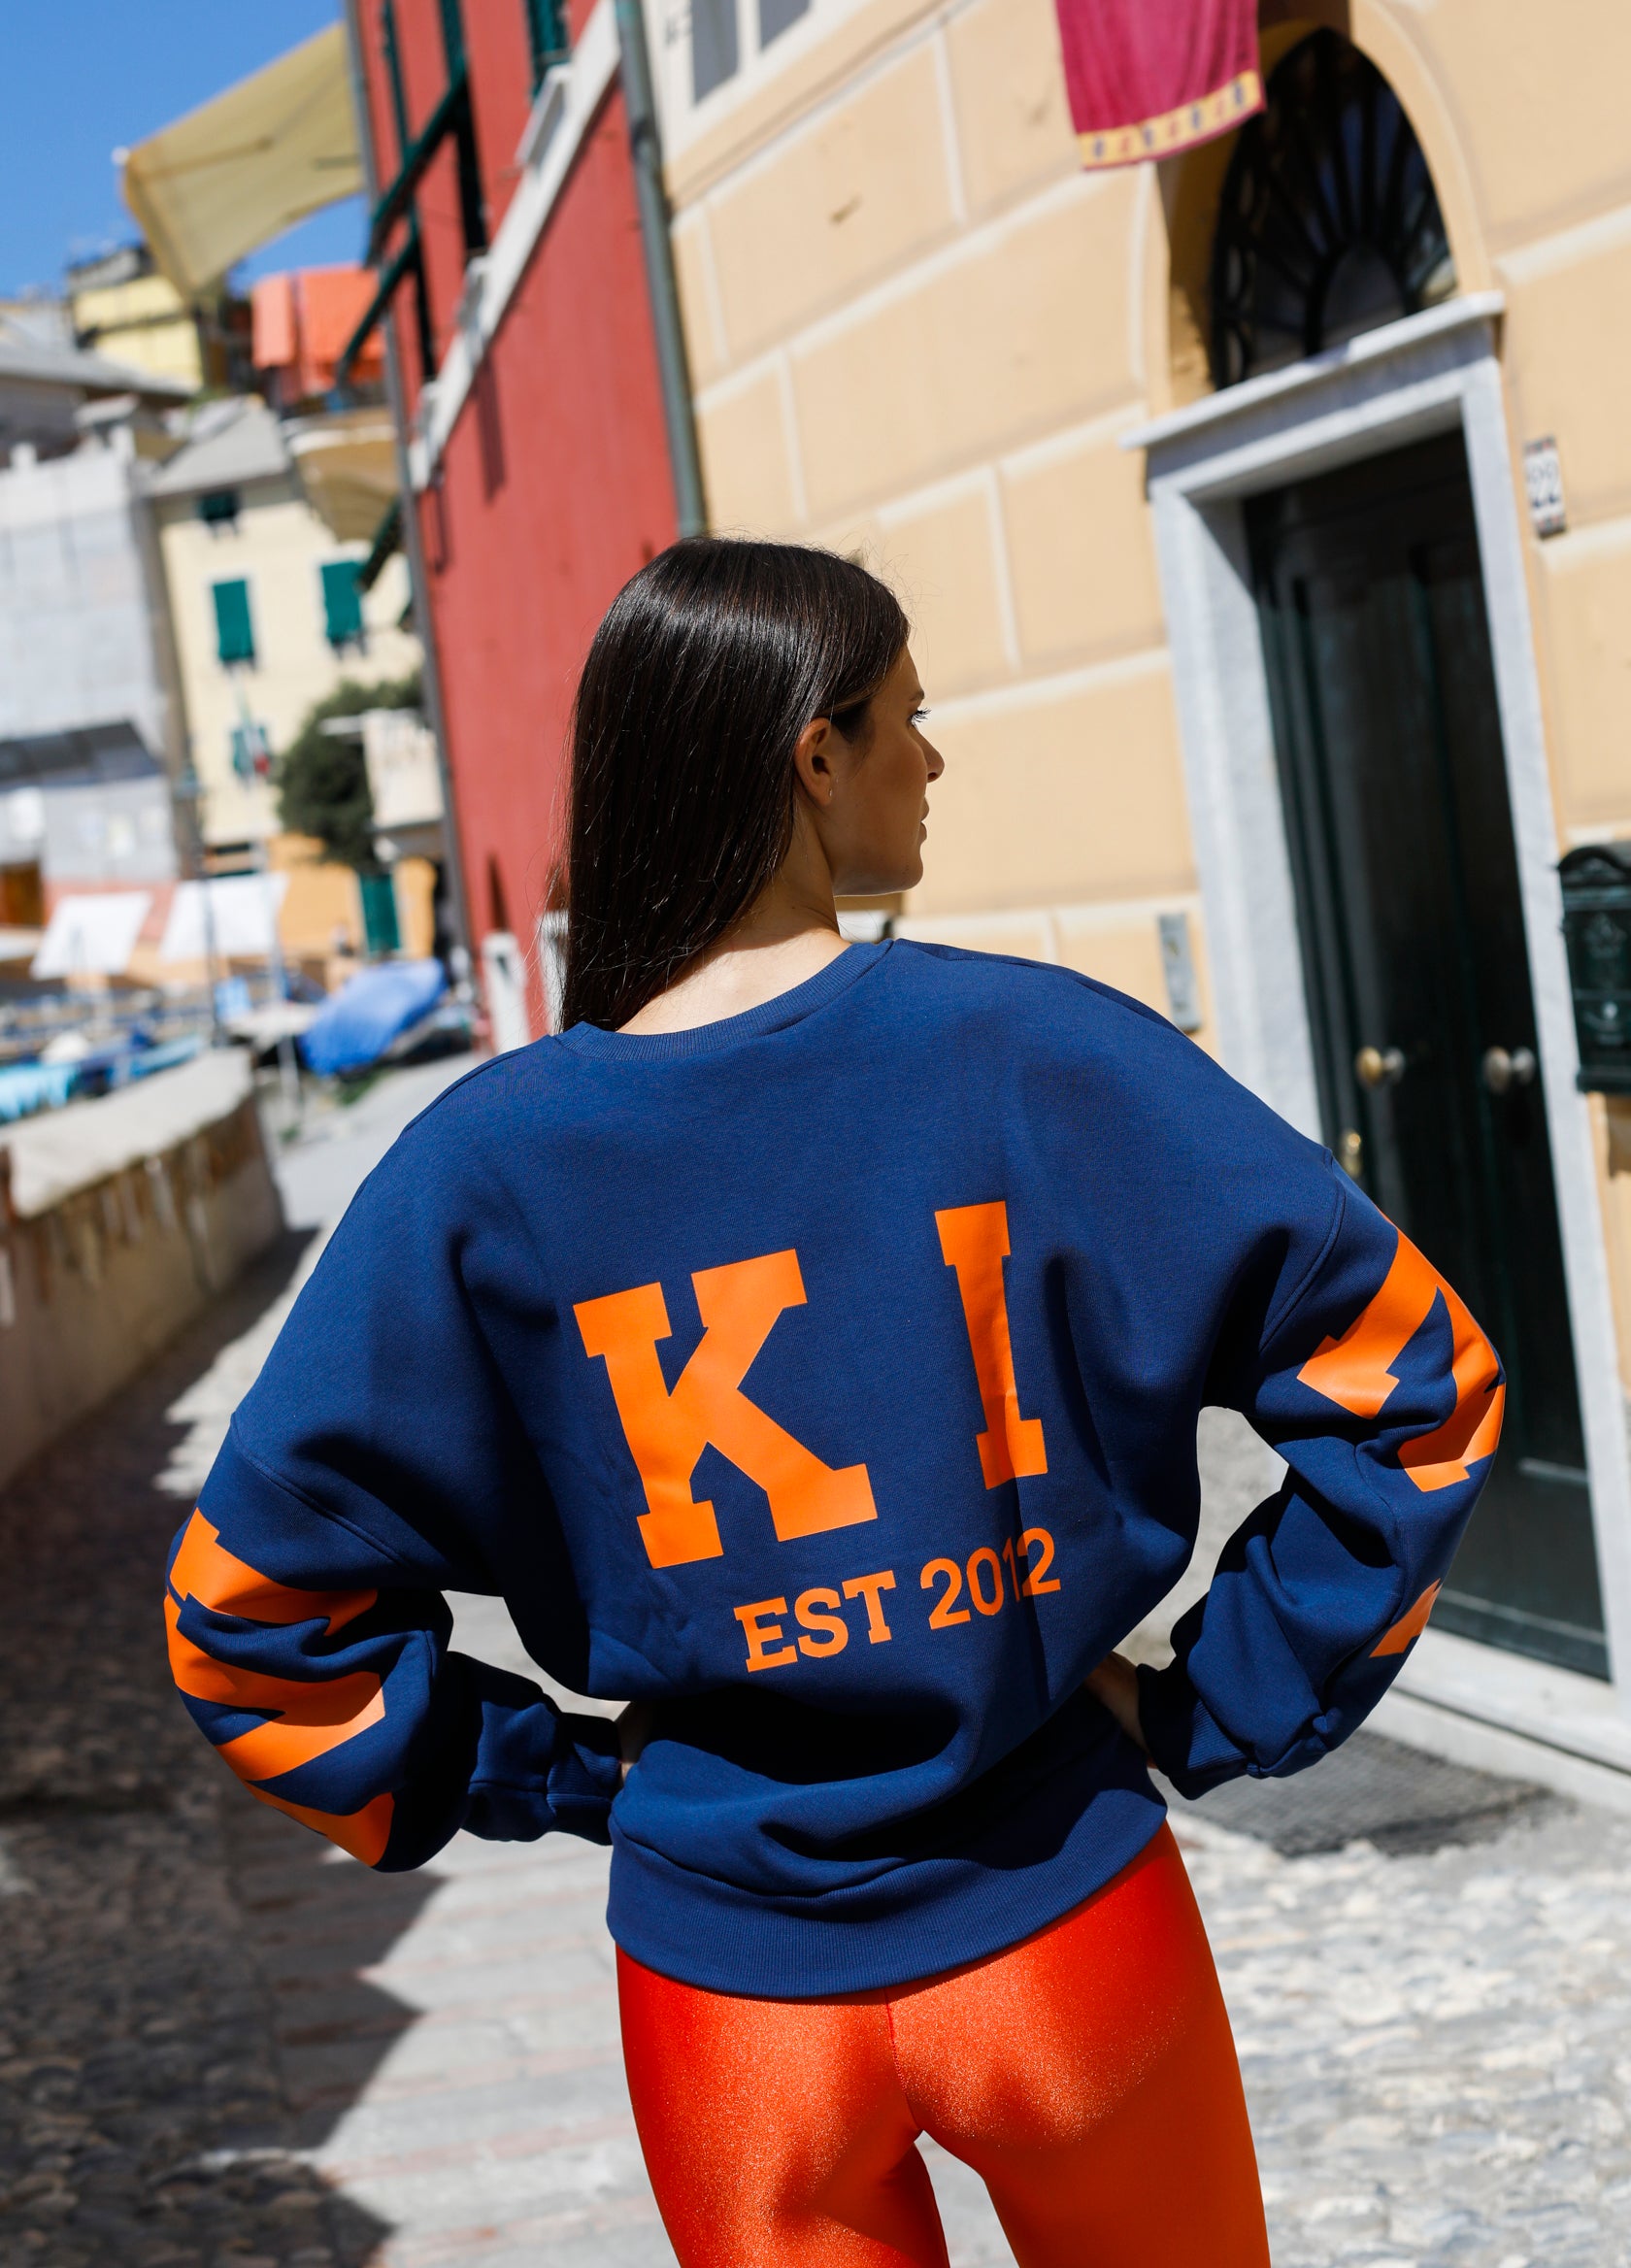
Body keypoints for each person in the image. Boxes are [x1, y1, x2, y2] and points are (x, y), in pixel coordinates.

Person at [164, 539, 1502, 2267]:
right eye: (906, 720)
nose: (931, 761)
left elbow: (245, 1627)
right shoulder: (1038, 1051)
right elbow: (1418, 1386)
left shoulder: (477, 1172)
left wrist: (567, 1777)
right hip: (1068, 1934)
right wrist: (1211, 1706)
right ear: (813, 754)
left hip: (733, 2019)